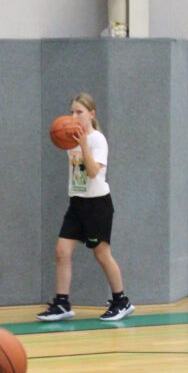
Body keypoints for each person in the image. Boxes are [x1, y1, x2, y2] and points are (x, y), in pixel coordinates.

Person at [37, 92, 134, 324]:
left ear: (91, 114)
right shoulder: (70, 138)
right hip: (77, 203)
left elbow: (92, 172)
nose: (73, 116)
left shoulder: (97, 140)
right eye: (71, 112)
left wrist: (83, 146)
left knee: (102, 254)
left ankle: (121, 301)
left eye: (79, 112)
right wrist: (66, 138)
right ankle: (62, 303)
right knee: (61, 252)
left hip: (97, 204)